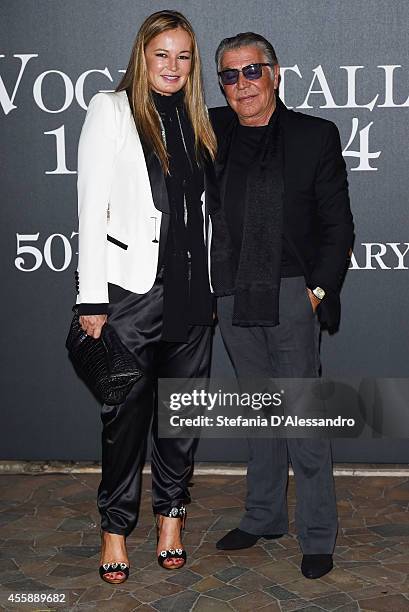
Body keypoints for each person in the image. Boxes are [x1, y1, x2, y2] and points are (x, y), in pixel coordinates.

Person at [75, 10, 217, 583]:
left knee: (179, 419)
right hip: (131, 294)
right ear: (143, 55)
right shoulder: (110, 110)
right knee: (125, 419)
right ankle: (114, 529)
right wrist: (91, 299)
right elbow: (90, 208)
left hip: (192, 295)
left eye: (183, 56)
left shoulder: (200, 117)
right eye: (162, 54)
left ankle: (172, 521)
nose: (172, 66)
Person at [209, 32, 354, 579]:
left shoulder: (314, 135)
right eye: (229, 75)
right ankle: (264, 516)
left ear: (274, 74)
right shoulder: (212, 130)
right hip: (233, 293)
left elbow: (338, 222)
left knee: (303, 419)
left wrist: (316, 292)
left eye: (251, 71)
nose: (241, 84)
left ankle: (318, 535)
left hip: (293, 293)